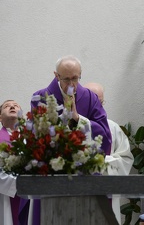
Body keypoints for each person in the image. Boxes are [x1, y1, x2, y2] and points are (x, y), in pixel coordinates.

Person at [20, 55, 112, 225]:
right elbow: (36, 135)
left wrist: (78, 120)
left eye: (75, 78)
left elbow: (105, 135)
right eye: (67, 79)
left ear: (80, 74)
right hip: (51, 175)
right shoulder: (41, 97)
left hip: (84, 175)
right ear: (56, 76)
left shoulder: (90, 98)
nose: (72, 84)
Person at [84, 82, 134, 224]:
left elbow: (126, 159)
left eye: (100, 101)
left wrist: (102, 163)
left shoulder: (112, 127)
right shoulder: (75, 125)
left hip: (107, 193)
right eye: (93, 101)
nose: (97, 106)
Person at [0, 100, 21, 225]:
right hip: (5, 197)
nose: (12, 106)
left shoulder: (31, 140)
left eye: (16, 105)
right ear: (0, 117)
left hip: (29, 196)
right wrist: (19, 183)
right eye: (7, 106)